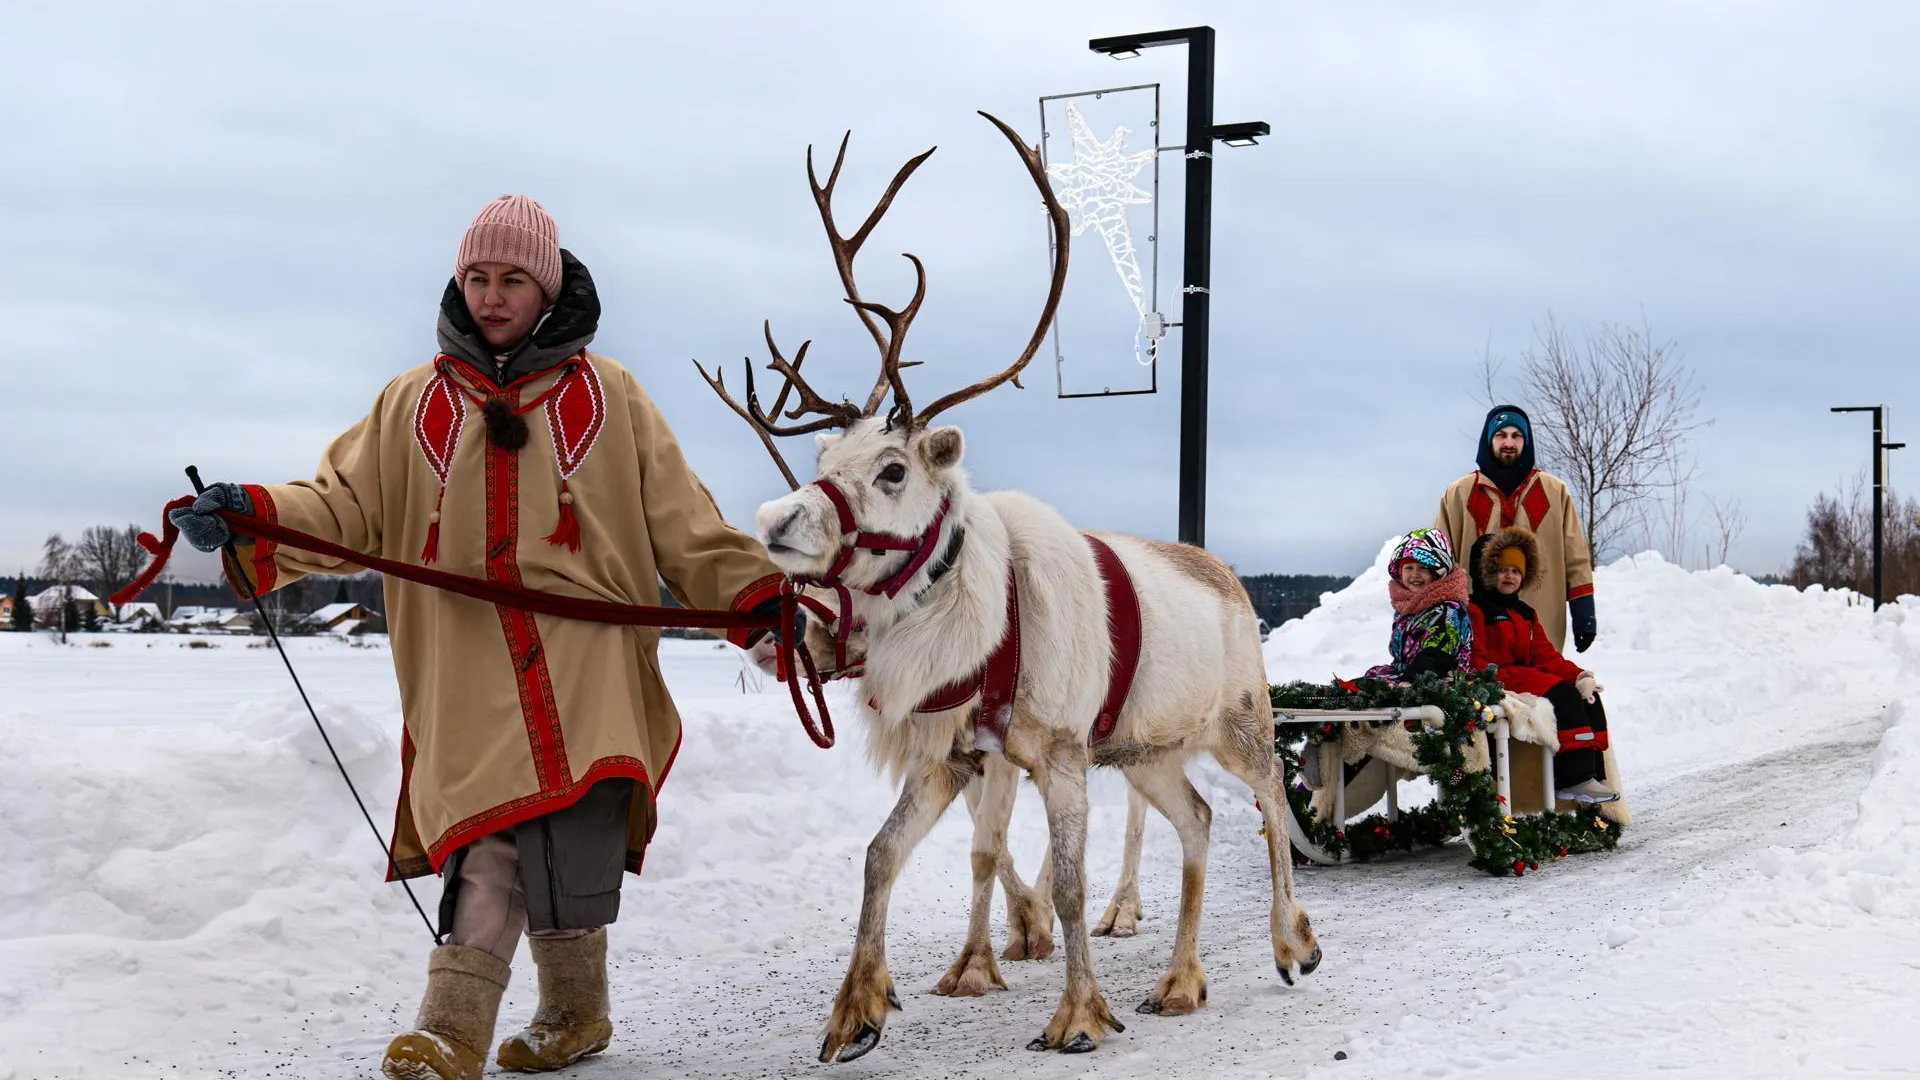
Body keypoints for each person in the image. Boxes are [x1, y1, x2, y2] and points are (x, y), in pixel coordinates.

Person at [168, 195, 790, 1080]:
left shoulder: (610, 396)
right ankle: (471, 1026)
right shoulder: (409, 402)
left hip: (585, 665)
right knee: (487, 842)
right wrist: (252, 518)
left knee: (560, 841)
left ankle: (549, 1016)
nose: (492, 296)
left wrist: (762, 598)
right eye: (477, 278)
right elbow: (341, 508)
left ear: (547, 286)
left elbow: (684, 527)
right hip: (461, 670)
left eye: (512, 280)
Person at [1467, 527, 1617, 803]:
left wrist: (1579, 676)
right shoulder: (1475, 610)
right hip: (1501, 676)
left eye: (1516, 570)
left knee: (1587, 697)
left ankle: (1595, 773)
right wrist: (1491, 684)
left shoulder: (1525, 613)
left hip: (1527, 675)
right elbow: (1476, 657)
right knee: (1562, 694)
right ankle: (1574, 778)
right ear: (1484, 572)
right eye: (1502, 570)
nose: (1509, 576)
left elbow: (1546, 656)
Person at [1434, 405, 1597, 653]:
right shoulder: (1458, 494)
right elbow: (1439, 559)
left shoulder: (1555, 492)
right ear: (1489, 440)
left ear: (1526, 441)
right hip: (1475, 625)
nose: (1508, 442)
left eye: (1516, 435)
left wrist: (1584, 613)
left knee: (1541, 687)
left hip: (1540, 621)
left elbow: (1576, 558)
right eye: (1501, 435)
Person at [1364, 528, 1473, 682]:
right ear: (1400, 572)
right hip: (1405, 674)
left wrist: (1408, 682)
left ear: (1437, 572)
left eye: (1423, 568)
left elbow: (1437, 656)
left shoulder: (1449, 610)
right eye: (1409, 567)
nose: (1415, 574)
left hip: (1437, 681)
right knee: (1354, 687)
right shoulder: (1407, 607)